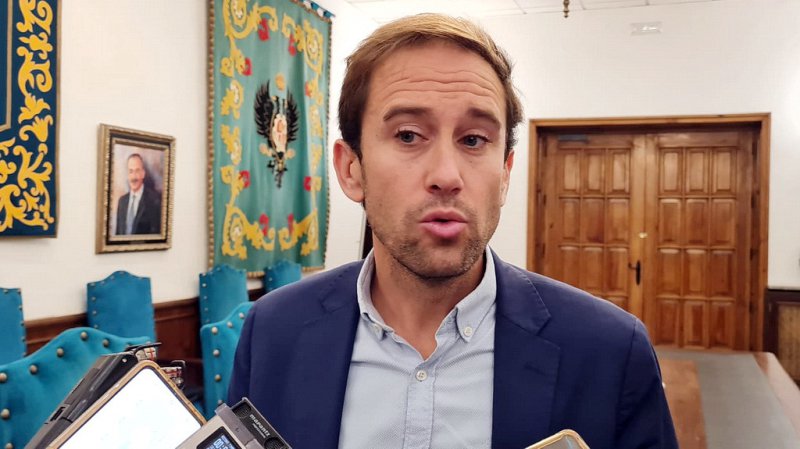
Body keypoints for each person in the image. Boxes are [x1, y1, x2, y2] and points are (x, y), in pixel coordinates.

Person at [228, 13, 678, 449]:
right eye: (408, 135)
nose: (447, 175)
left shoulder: (611, 352)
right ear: (351, 169)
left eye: (474, 140)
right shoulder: (273, 331)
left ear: (505, 174)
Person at [115, 153, 161, 235]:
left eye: (137, 171)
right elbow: (118, 235)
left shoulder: (154, 201)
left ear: (143, 174)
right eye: (131, 171)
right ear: (128, 175)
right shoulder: (122, 202)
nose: (134, 177)